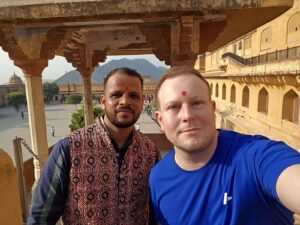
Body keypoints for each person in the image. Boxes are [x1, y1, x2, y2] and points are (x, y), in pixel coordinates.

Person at [149, 66, 300, 225]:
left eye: (197, 103)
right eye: (174, 107)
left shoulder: (254, 157)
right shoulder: (158, 178)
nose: (187, 116)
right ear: (160, 120)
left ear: (213, 109)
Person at [28, 68, 160, 225]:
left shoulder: (150, 152)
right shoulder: (70, 148)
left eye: (133, 96)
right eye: (116, 95)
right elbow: (41, 217)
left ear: (142, 101)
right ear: (103, 101)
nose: (125, 101)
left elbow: (155, 213)